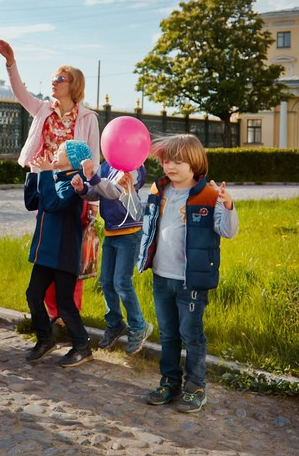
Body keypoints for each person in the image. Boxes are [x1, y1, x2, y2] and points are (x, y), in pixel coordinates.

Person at [0, 39, 100, 331]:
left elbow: (93, 156)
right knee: (47, 247)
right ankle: (53, 313)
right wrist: (11, 62)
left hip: (74, 185)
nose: (53, 82)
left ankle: (68, 314)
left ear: (73, 85)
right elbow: (19, 93)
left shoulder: (88, 118)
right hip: (46, 181)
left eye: (59, 78)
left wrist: (92, 200)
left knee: (70, 251)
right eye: (53, 78)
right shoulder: (42, 109)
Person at [137, 134, 237, 413]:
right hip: (161, 276)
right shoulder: (158, 190)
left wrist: (227, 205)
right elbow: (145, 222)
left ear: (194, 162)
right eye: (167, 160)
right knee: (168, 334)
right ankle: (170, 382)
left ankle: (196, 388)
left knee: (191, 334)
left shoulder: (209, 194)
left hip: (190, 280)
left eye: (178, 161)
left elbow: (227, 231)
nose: (170, 166)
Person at [23, 140, 94, 368]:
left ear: (73, 160)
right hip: (45, 252)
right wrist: (35, 174)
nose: (55, 153)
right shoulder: (53, 178)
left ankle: (82, 346)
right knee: (33, 295)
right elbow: (31, 202)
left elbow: (55, 203)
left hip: (63, 252)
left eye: (61, 151)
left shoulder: (75, 181)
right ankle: (45, 339)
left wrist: (45, 173)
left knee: (65, 303)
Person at [71, 158, 152, 354]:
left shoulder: (134, 167)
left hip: (130, 232)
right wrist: (83, 188)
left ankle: (139, 325)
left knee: (121, 282)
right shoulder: (107, 165)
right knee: (106, 281)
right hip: (111, 233)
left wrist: (92, 176)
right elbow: (97, 191)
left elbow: (114, 191)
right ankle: (115, 323)